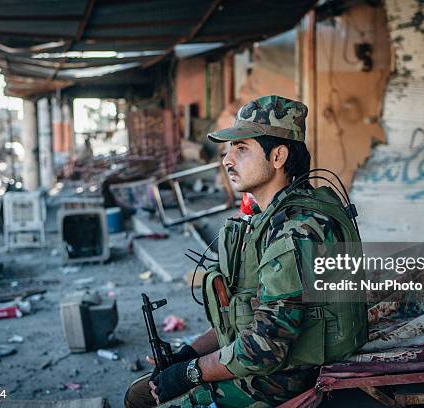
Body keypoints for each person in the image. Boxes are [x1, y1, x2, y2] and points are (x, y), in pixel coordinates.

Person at [125, 95, 367, 408]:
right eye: (228, 150)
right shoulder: (265, 220)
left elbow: (264, 348)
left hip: (282, 380)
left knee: (149, 400)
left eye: (242, 149)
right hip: (266, 366)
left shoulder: (297, 230)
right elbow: (246, 316)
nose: (227, 160)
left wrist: (188, 373)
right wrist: (187, 354)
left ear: (278, 156)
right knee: (139, 392)